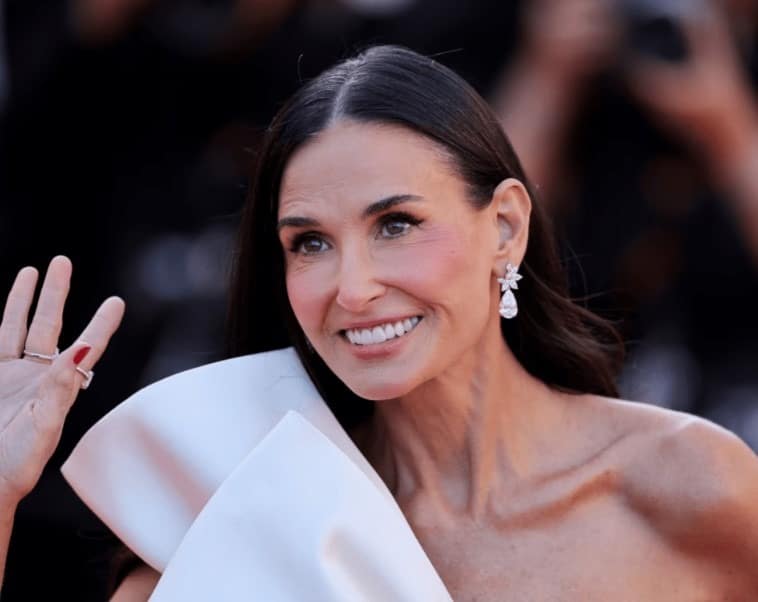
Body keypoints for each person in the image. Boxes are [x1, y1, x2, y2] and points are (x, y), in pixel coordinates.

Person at [1, 45, 758, 600]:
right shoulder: (241, 505)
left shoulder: (686, 485)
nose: (354, 288)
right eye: (310, 243)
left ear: (505, 227)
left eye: (396, 225)